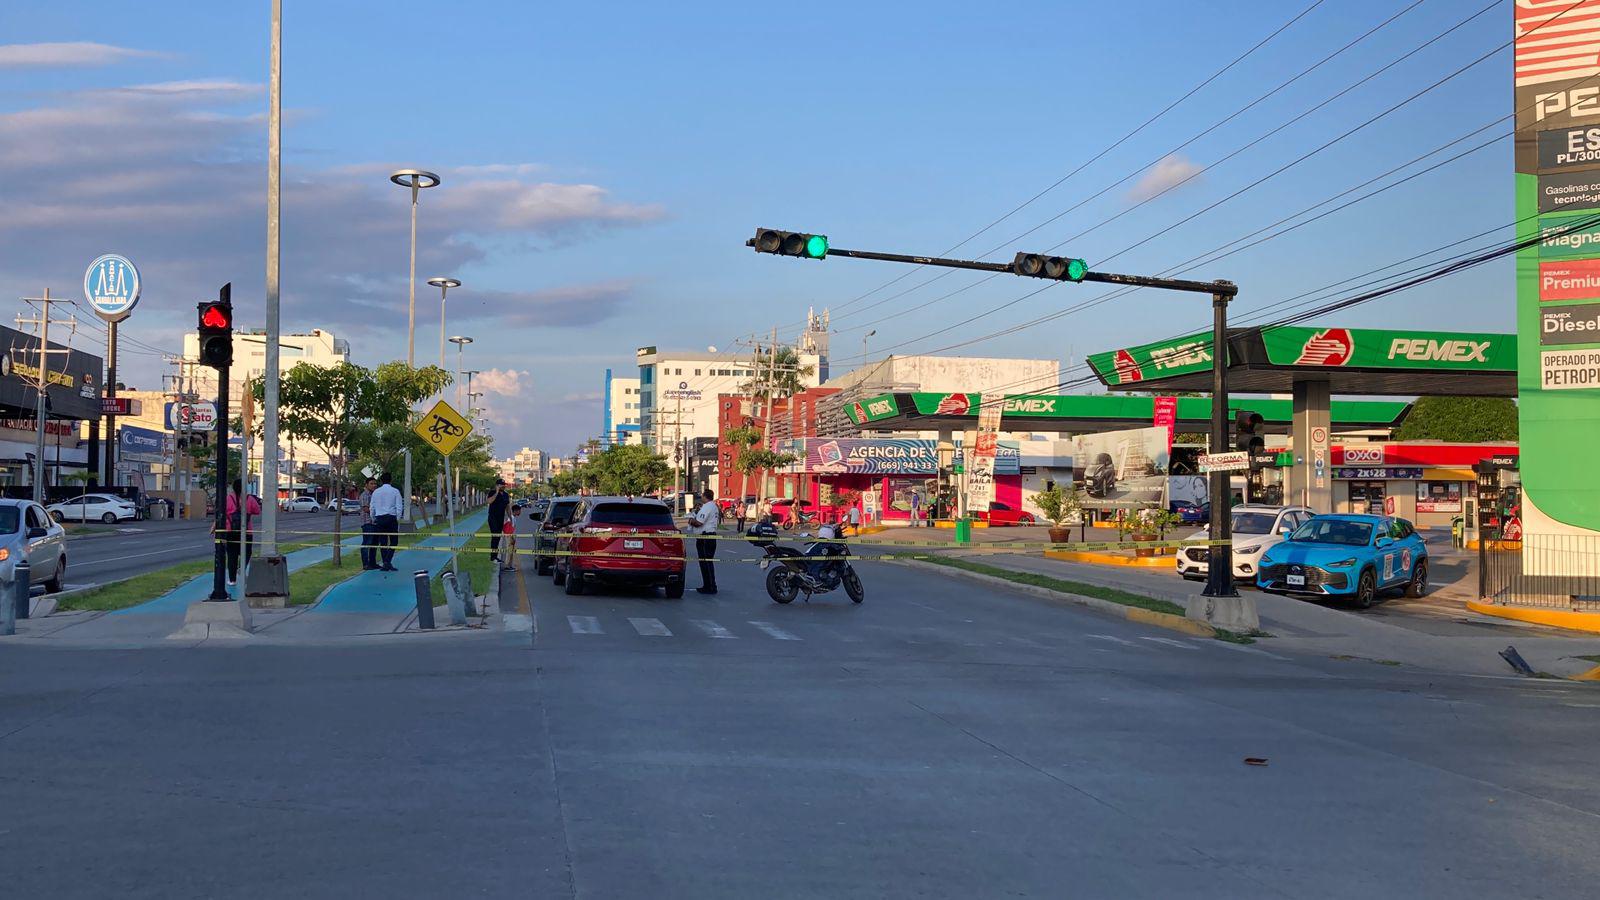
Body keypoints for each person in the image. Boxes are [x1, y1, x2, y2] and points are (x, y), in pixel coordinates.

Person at [686, 487, 720, 595]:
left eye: (702, 496)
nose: (701, 497)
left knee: (706, 563)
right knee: (706, 562)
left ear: (705, 497)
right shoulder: (713, 506)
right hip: (709, 537)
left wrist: (691, 520)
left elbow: (699, 522)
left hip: (705, 538)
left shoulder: (707, 507)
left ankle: (710, 586)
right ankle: (708, 585)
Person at [369, 473, 404, 571]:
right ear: (391, 480)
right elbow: (399, 506)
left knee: (383, 541)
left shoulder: (376, 492)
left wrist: (373, 517)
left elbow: (372, 506)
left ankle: (386, 562)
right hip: (391, 517)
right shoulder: (395, 491)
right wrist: (397, 518)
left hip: (380, 518)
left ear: (381, 481)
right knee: (394, 541)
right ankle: (387, 561)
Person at [487, 480, 511, 563]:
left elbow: (507, 506)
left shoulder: (506, 495)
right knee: (494, 536)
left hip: (501, 518)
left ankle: (495, 557)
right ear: (497, 485)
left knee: (498, 537)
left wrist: (510, 517)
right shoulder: (492, 492)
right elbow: (489, 501)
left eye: (504, 485)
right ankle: (493, 557)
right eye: (501, 485)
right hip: (493, 517)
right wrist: (496, 492)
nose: (503, 486)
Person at [358, 476, 379, 571]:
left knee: (374, 543)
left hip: (375, 523)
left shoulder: (374, 494)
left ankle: (373, 563)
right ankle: (365, 564)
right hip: (367, 523)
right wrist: (376, 512)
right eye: (371, 483)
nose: (374, 485)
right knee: (367, 543)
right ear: (366, 485)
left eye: (375, 483)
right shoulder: (364, 495)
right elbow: (366, 509)